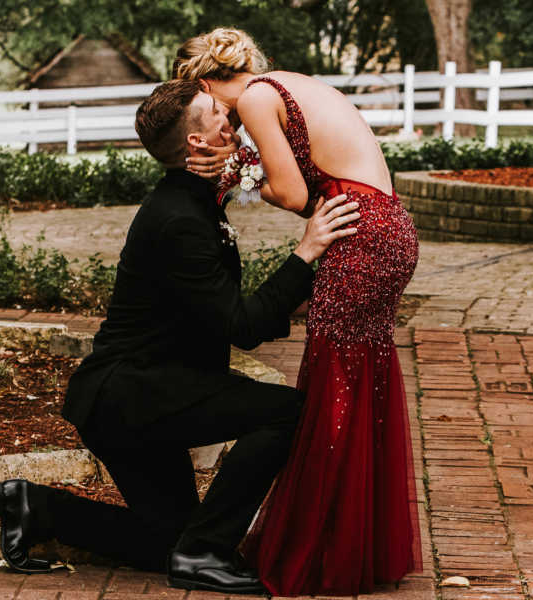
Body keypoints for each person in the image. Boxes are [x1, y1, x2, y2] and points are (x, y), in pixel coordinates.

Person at [0, 78, 363, 595]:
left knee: (169, 540)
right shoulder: (180, 219)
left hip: (140, 391)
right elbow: (243, 328)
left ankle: (33, 507)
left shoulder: (191, 201)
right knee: (286, 411)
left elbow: (225, 310)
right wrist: (306, 252)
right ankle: (207, 552)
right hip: (133, 396)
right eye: (218, 112)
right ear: (197, 141)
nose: (231, 116)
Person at [174, 28, 422, 595]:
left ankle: (323, 548)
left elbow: (287, 192)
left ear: (209, 83)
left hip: (358, 240)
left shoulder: (258, 98)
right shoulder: (286, 83)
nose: (218, 118)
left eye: (206, 105)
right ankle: (353, 542)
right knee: (360, 384)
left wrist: (254, 185)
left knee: (332, 386)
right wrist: (243, 164)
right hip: (388, 230)